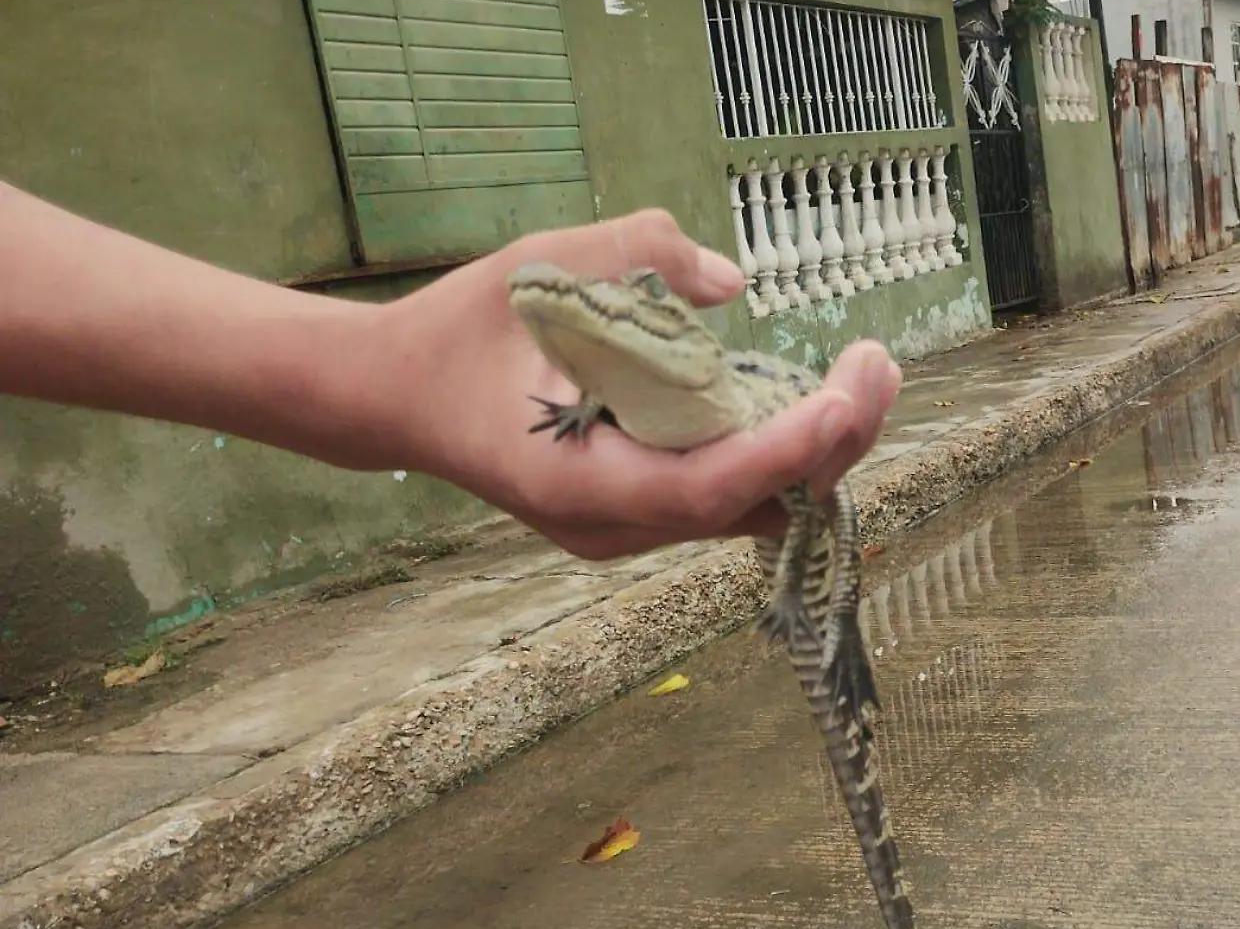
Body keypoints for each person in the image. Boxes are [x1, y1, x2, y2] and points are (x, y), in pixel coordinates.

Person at [0, 182, 903, 561]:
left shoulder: (726, 375)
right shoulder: (601, 383)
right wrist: (402, 378)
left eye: (635, 299)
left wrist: (390, 373)